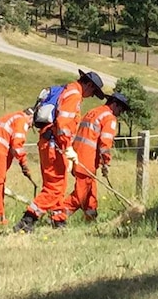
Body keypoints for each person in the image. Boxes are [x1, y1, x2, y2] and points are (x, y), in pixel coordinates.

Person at [14, 70, 106, 233]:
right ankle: (28, 219)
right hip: (54, 145)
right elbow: (64, 124)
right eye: (93, 92)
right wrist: (67, 147)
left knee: (57, 184)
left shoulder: (66, 90)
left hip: (49, 142)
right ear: (88, 85)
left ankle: (59, 220)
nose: (91, 96)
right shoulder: (74, 95)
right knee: (55, 187)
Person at [65, 92, 130, 221]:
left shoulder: (93, 112)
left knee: (91, 192)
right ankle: (58, 215)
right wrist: (106, 162)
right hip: (87, 158)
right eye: (121, 109)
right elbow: (105, 143)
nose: (120, 113)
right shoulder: (109, 118)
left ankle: (90, 216)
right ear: (114, 105)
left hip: (77, 155)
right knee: (81, 194)